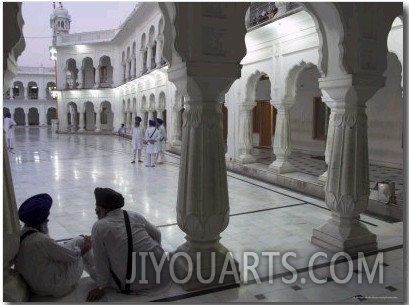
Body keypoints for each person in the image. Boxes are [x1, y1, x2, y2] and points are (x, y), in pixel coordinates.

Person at [86, 188, 171, 301]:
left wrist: (101, 287)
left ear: (102, 209)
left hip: (136, 284)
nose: (95, 209)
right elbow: (157, 234)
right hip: (163, 272)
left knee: (89, 261)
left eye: (97, 207)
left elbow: (101, 263)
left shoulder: (99, 226)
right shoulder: (133, 215)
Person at [14, 193, 93, 297]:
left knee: (77, 240)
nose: (47, 221)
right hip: (53, 287)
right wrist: (86, 247)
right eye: (46, 220)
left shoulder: (22, 234)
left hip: (35, 286)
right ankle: (101, 281)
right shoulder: (41, 240)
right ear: (40, 223)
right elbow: (73, 256)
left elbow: (53, 250)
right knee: (82, 243)